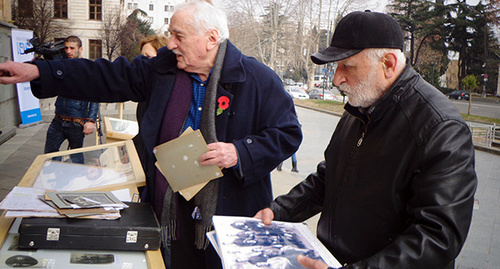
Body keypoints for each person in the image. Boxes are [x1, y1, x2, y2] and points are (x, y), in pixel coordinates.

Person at [0, 1, 302, 268]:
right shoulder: (164, 70)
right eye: (171, 34)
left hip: (229, 216)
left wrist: (240, 152)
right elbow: (106, 76)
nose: (170, 44)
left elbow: (288, 133)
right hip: (172, 214)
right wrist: (42, 72)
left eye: (178, 36)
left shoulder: (257, 78)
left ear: (211, 39)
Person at [254, 10, 477, 269]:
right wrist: (280, 211)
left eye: (347, 66)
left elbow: (438, 237)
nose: (337, 78)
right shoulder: (360, 108)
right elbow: (329, 178)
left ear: (389, 64)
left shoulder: (441, 128)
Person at [43, 36, 98, 164]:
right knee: (50, 154)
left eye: (72, 48)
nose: (68, 51)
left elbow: (95, 96)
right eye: (66, 48)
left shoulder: (87, 69)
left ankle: (78, 181)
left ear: (80, 49)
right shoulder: (61, 65)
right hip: (58, 120)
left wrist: (91, 120)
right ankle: (58, 175)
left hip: (76, 123)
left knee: (76, 156)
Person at [133, 34, 169, 159]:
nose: (142, 62)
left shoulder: (163, 94)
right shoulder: (146, 91)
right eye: (141, 56)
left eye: (148, 57)